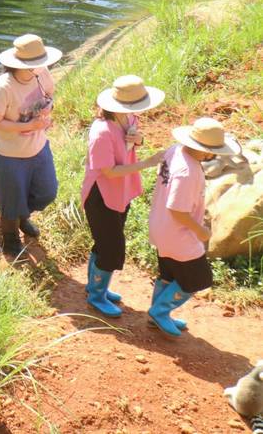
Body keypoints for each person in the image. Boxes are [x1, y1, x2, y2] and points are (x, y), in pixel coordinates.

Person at [81, 75, 165, 317]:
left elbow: (133, 141)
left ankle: (95, 287)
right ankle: (96, 296)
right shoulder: (101, 132)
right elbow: (108, 171)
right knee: (112, 248)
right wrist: (147, 163)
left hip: (121, 191)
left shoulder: (128, 118)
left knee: (105, 242)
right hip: (101, 195)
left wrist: (139, 140)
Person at [147, 117, 239, 337]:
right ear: (205, 150)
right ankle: (159, 312)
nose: (213, 155)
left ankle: (155, 317)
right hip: (178, 235)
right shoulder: (188, 172)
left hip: (160, 226)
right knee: (199, 279)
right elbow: (177, 210)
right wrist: (201, 231)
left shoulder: (175, 150)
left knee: (168, 274)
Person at [0, 34, 60, 256]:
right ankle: (10, 239)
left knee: (47, 192)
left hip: (38, 147)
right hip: (8, 154)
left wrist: (48, 108)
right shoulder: (4, 86)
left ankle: (23, 217)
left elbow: (50, 93)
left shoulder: (41, 72)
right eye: (34, 64)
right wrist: (28, 126)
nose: (40, 67)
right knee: (10, 203)